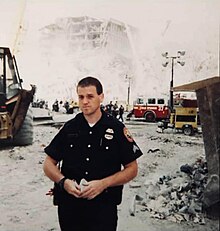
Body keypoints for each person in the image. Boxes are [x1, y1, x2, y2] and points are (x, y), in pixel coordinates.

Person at [43, 76, 143, 231]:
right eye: (81, 97)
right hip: (70, 209)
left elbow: (132, 168)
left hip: (103, 208)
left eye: (90, 96)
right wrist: (64, 182)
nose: (85, 102)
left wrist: (103, 184)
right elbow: (48, 164)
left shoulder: (116, 129)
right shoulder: (69, 128)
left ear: (101, 97)